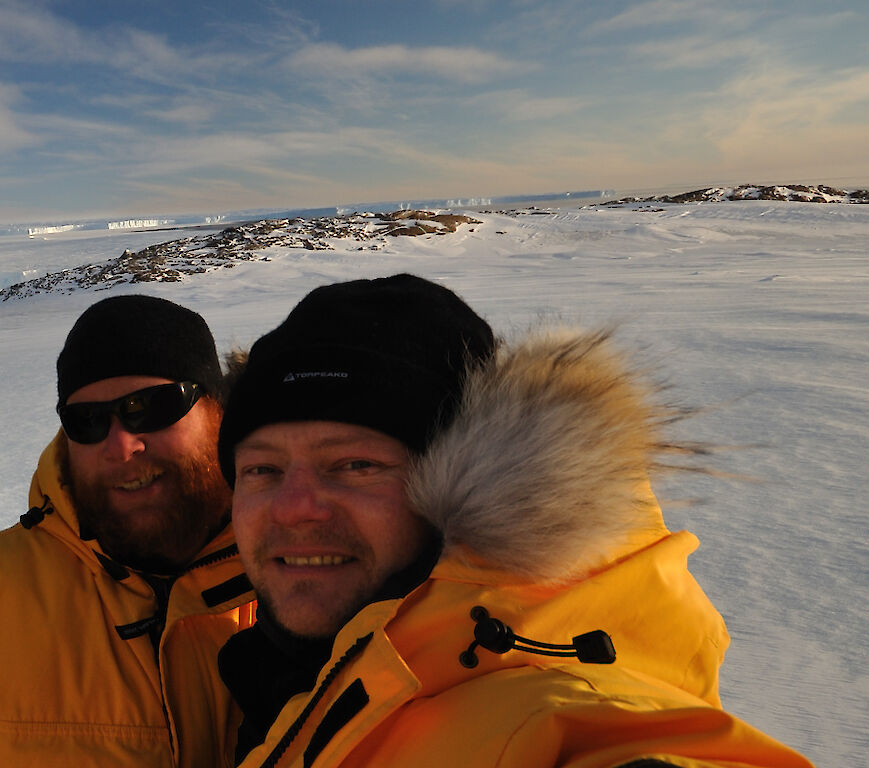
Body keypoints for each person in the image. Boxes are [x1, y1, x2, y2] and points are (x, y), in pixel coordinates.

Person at [215, 274, 812, 767]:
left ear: (463, 485)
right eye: (261, 470)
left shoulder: (549, 703)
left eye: (354, 464)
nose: (294, 507)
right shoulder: (283, 676)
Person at [0, 295, 258, 768]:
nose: (120, 445)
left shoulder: (309, 573)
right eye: (87, 421)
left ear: (217, 409)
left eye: (149, 406)